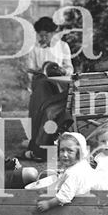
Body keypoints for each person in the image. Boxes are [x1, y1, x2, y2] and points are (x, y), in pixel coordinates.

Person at [22, 16, 74, 162]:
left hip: (59, 85)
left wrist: (63, 70)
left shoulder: (63, 46)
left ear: (53, 33)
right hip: (41, 84)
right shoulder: (33, 48)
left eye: (47, 34)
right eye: (41, 35)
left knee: (49, 107)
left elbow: (69, 67)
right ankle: (39, 144)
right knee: (41, 97)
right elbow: (29, 69)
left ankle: (43, 145)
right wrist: (41, 70)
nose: (44, 37)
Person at [36, 132, 96, 212]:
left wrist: (48, 204)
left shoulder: (75, 173)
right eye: (62, 150)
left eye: (70, 151)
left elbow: (65, 195)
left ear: (79, 152)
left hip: (83, 204)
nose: (64, 154)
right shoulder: (80, 164)